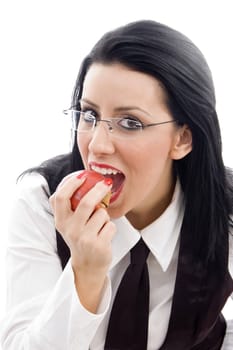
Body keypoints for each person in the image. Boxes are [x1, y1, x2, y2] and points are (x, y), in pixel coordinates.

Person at [0, 19, 232, 350]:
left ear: (182, 139)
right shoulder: (40, 203)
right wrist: (85, 274)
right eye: (89, 115)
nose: (97, 145)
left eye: (130, 123)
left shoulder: (226, 219)